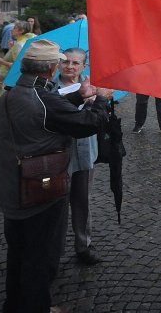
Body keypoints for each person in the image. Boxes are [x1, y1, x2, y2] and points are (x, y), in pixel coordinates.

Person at [0, 40, 111, 312]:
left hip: (12, 190)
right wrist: (100, 99)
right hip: (40, 190)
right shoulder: (44, 100)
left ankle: (14, 305)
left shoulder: (10, 95)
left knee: (18, 253)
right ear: (51, 69)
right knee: (39, 255)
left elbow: (47, 110)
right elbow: (88, 124)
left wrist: (79, 96)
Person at [57, 48, 101, 265]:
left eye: (75, 63)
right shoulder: (50, 89)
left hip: (85, 153)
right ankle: (54, 249)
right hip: (59, 156)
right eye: (65, 62)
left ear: (84, 66)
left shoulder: (92, 86)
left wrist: (98, 102)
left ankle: (83, 246)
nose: (70, 66)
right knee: (57, 204)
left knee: (82, 201)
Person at [0, 20, 35, 100]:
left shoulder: (19, 45)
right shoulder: (29, 41)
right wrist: (12, 49)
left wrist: (1, 61)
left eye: (14, 28)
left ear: (21, 31)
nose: (11, 30)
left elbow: (19, 66)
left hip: (15, 81)